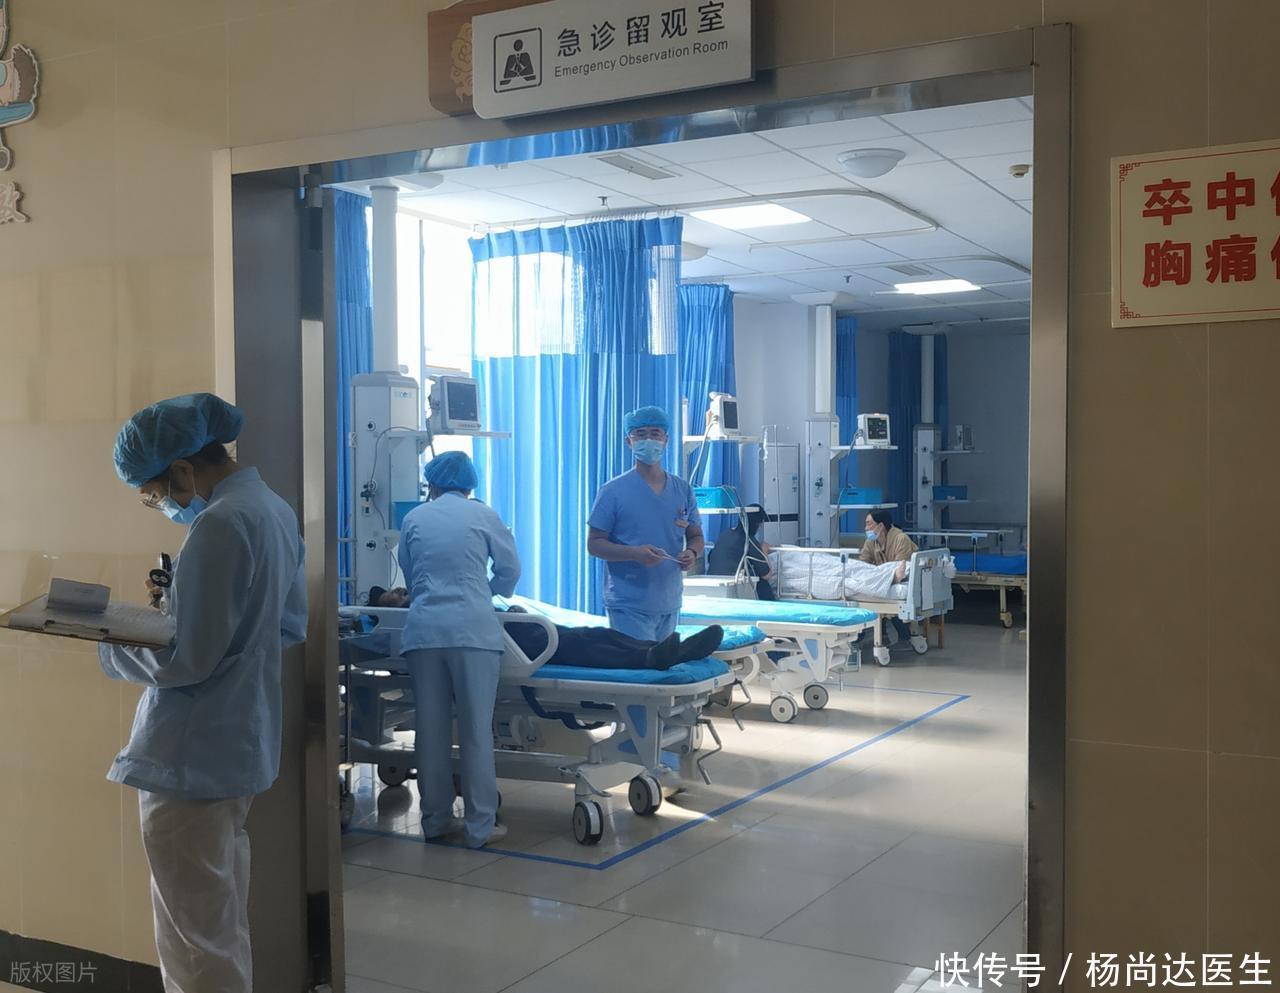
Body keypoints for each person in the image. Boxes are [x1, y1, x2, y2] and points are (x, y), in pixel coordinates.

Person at [98, 393, 307, 993]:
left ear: (184, 469)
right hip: (236, 746)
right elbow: (289, 626)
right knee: (218, 921)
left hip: (188, 758)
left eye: (156, 492)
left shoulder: (219, 524)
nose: (162, 503)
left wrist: (109, 639)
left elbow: (186, 659)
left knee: (194, 938)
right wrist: (180, 621)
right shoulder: (274, 510)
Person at [397, 450, 520, 848]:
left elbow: (411, 575)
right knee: (476, 732)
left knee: (429, 731)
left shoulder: (415, 518)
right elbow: (510, 569)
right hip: (473, 632)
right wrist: (487, 592)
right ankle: (480, 827)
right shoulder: (484, 515)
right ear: (470, 483)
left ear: (431, 483)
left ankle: (434, 821)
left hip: (425, 633)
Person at [368, 586, 725, 670]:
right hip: (517, 648)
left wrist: (514, 611)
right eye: (394, 598)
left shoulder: (433, 599)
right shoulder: (415, 617)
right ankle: (650, 659)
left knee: (595, 634)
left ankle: (667, 651)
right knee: (585, 647)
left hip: (520, 632)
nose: (401, 593)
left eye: (399, 590)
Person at [588, 405, 704, 642]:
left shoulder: (682, 490)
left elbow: (696, 536)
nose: (648, 440)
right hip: (628, 603)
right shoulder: (612, 491)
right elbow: (595, 544)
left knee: (663, 664)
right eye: (640, 434)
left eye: (655, 433)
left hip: (669, 600)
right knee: (639, 664)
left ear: (666, 439)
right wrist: (634, 553)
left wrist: (692, 553)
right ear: (628, 441)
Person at [859, 509, 927, 654]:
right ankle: (879, 636)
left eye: (869, 524)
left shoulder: (901, 539)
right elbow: (863, 563)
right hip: (886, 578)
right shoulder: (871, 541)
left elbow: (900, 568)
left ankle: (905, 637)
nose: (866, 528)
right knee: (871, 592)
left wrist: (882, 576)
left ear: (880, 525)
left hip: (906, 579)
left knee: (889, 596)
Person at [706, 504, 779, 600]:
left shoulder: (725, 534)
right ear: (757, 524)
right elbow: (766, 574)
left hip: (712, 582)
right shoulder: (749, 540)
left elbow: (711, 557)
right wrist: (764, 550)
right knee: (762, 583)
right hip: (733, 585)